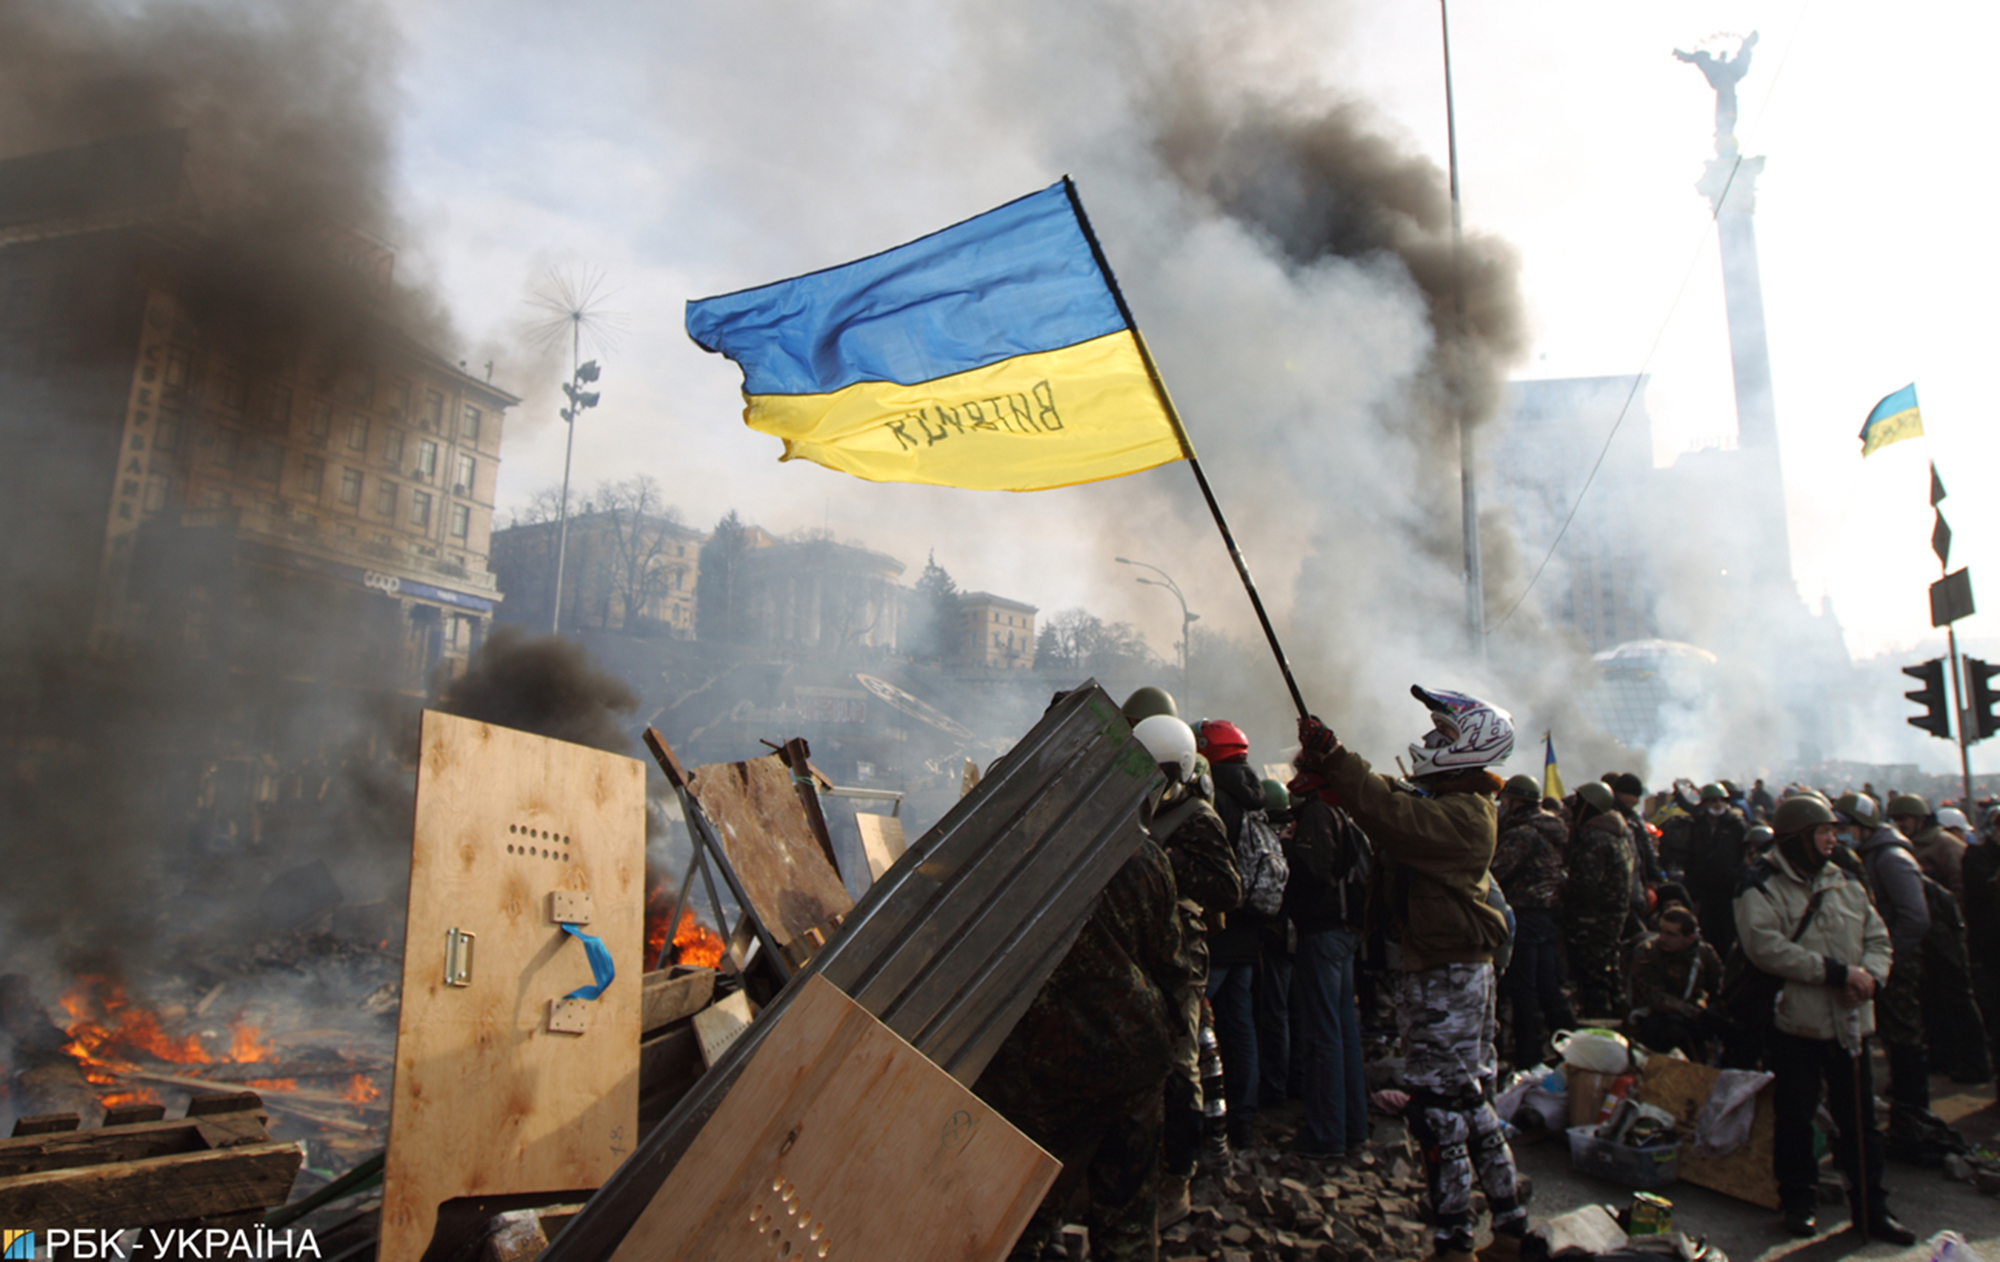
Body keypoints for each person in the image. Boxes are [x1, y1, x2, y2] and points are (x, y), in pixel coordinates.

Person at [1295, 686, 1527, 1262]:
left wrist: (1338, 761)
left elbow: (1396, 815)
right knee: (1468, 1102)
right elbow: (1396, 802)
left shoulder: (1464, 815)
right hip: (1451, 969)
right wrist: (1338, 778)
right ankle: (1510, 1229)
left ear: (1470, 746)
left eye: (1443, 735)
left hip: (1447, 976)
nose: (1428, 741)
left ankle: (1454, 1242)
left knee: (1438, 1110)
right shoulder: (1459, 803)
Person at [976, 822, 1193, 1261]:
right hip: (1133, 1059)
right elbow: (1172, 966)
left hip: (1044, 1064)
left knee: (1021, 1216)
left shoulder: (1012, 850)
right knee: (1128, 1220)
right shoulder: (1143, 855)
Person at [1735, 795, 1913, 1244]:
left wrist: (1870, 978)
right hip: (1797, 1022)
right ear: (1799, 838)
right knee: (1796, 1116)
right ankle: (1799, 1202)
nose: (1834, 839)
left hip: (1851, 1023)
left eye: (1835, 831)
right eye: (1824, 832)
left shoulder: (1845, 880)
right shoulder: (1760, 883)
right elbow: (1765, 947)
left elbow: (1878, 937)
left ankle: (1872, 1209)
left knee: (1861, 1123)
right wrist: (1836, 974)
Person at [1133, 712, 1241, 1223]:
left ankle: (1177, 1176)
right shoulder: (1136, 808)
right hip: (1138, 944)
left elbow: (1228, 889)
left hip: (1180, 950)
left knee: (1180, 1065)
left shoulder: (1196, 818)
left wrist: (1165, 862)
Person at [1281, 770, 1373, 1160]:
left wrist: (1286, 847)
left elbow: (1314, 870)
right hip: (1344, 932)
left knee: (1322, 1036)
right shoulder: (1344, 811)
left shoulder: (1319, 813)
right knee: (1343, 1032)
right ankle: (1353, 1128)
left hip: (1322, 932)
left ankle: (1325, 1134)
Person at [1833, 792, 1932, 1120]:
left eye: (1845, 827)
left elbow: (1915, 917)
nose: (1840, 835)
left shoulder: (1891, 858)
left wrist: (1888, 958)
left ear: (1864, 826)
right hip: (1881, 961)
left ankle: (1914, 1115)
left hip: (1897, 963)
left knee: (1903, 1037)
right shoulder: (1869, 856)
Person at [1196, 718, 1266, 1154]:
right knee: (1242, 1028)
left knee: (1200, 1030)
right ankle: (1244, 1118)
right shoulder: (1255, 795)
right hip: (1250, 931)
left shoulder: (1214, 797)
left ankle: (1205, 1124)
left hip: (1219, 930)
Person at [1490, 774, 1570, 1069]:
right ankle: (1571, 1046)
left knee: (1523, 989)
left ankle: (1529, 1058)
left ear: (1516, 801)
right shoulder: (1553, 826)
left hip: (1524, 915)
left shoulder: (1522, 834)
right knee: (1548, 986)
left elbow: (1496, 871)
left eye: (1506, 801)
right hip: (1547, 915)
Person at [1563, 781, 1635, 1022]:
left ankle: (1599, 1024)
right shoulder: (1618, 834)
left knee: (1593, 979)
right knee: (1609, 972)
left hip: (1593, 920)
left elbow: (1585, 885)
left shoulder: (1596, 838)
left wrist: (1563, 884)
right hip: (1611, 918)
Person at [1625, 905, 1724, 1059]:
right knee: (1666, 1029)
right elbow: (1654, 997)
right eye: (1661, 931)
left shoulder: (1704, 955)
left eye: (1671, 934)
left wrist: (1714, 1014)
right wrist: (1694, 1013)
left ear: (1690, 938)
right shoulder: (1647, 952)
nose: (1663, 938)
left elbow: (1718, 988)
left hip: (1688, 1016)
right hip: (1650, 1014)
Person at [1684, 783, 1751, 960]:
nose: (1718, 804)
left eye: (1721, 800)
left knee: (1728, 937)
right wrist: (1692, 893)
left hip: (1729, 892)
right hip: (1704, 892)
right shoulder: (1697, 826)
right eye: (1713, 800)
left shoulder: (1736, 825)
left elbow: (1744, 858)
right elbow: (1690, 858)